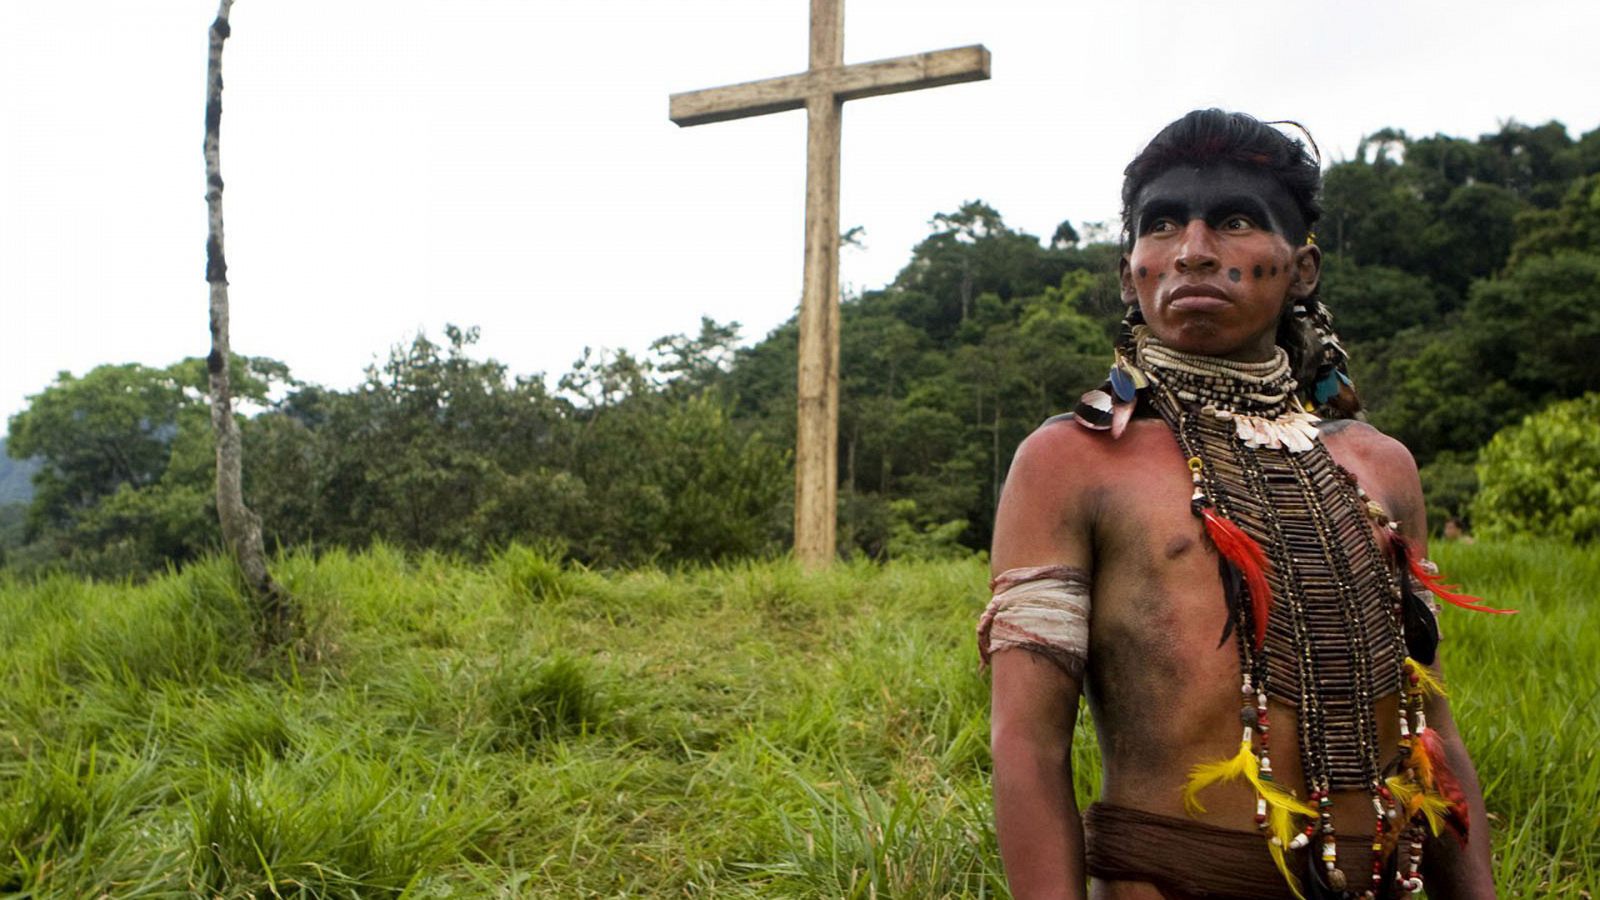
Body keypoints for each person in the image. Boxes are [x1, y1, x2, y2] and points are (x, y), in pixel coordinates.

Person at [980, 110, 1506, 899]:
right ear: (1130, 273)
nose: (1193, 250)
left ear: (1303, 269)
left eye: (1232, 222)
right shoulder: (1071, 461)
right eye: (1161, 226)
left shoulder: (1380, 464)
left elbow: (1430, 727)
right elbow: (1025, 743)